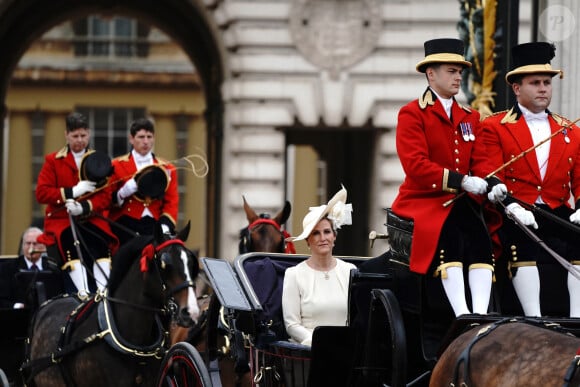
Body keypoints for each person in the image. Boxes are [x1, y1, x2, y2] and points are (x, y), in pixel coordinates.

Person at [390, 38, 507, 317]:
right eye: (451, 71)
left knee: (481, 237)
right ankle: (462, 314)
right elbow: (415, 165)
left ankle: (479, 313)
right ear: (431, 74)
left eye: (460, 71)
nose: (458, 77)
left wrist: (493, 182)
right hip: (425, 200)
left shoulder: (470, 116)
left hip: (463, 200)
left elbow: (481, 160)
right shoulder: (412, 113)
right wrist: (461, 181)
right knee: (450, 235)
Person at [481, 42, 580, 317]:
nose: (543, 88)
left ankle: (576, 319)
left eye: (547, 82)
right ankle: (533, 319)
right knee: (519, 243)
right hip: (514, 211)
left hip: (557, 212)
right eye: (535, 82)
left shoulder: (569, 130)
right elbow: (490, 172)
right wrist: (510, 206)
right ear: (516, 88)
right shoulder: (495, 127)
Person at [36, 112, 119, 296]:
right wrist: (72, 192)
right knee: (69, 243)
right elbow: (41, 193)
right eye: (75, 136)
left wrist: (84, 206)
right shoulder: (53, 161)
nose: (79, 140)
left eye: (83, 136)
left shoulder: (98, 161)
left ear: (88, 134)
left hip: (91, 218)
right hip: (62, 219)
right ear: (66, 135)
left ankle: (103, 292)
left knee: (100, 243)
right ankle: (82, 292)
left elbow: (106, 196)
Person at [282, 185, 356, 346]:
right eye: (315, 233)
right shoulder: (293, 274)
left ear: (334, 236)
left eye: (327, 232)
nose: (323, 237)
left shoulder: (350, 271)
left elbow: (357, 318)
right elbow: (292, 325)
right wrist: (317, 341)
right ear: (308, 240)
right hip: (309, 354)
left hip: (347, 351)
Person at [109, 117, 179, 245]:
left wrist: (165, 225)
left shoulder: (167, 168)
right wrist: (122, 193)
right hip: (125, 224)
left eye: (149, 137)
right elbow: (107, 200)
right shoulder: (116, 165)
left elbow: (171, 202)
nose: (145, 141)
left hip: (155, 223)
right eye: (141, 137)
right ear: (131, 139)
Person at [0, 227, 62, 309]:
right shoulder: (7, 268)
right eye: (28, 243)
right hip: (17, 317)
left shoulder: (54, 269)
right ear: (23, 245)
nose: (31, 248)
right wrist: (16, 306)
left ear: (43, 246)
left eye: (35, 243)